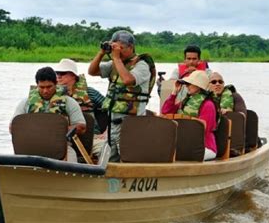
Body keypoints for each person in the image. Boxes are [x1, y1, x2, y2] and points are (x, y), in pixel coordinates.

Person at [88, 30, 156, 162]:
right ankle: (109, 181)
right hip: (113, 120)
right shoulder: (116, 63)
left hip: (131, 122)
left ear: (131, 47)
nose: (118, 52)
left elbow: (127, 80)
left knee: (128, 155)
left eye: (121, 48)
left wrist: (116, 58)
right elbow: (92, 71)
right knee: (109, 157)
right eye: (115, 48)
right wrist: (102, 52)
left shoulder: (141, 65)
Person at [10, 66, 86, 162]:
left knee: (71, 160)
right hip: (31, 148)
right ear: (37, 85)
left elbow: (82, 127)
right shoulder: (26, 103)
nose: (45, 91)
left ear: (56, 83)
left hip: (62, 149)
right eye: (41, 87)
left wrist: (57, 131)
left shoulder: (69, 102)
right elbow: (13, 127)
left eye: (49, 87)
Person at [161, 70, 217, 160]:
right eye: (186, 84)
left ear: (199, 86)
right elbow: (165, 112)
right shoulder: (186, 101)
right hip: (185, 144)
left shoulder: (208, 105)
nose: (186, 86)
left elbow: (203, 130)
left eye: (189, 84)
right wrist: (174, 93)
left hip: (205, 146)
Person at [55, 58, 106, 134]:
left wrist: (106, 132)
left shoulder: (90, 92)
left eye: (62, 73)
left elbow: (112, 109)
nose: (58, 76)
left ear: (73, 75)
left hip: (92, 136)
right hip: (63, 135)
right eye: (57, 73)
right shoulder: (52, 95)